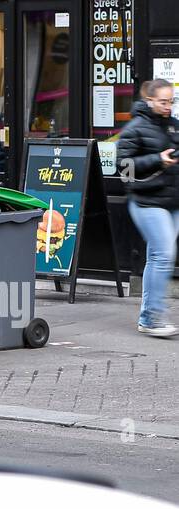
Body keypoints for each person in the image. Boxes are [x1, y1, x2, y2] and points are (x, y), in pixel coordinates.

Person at [118, 78, 179, 338]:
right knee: (165, 254)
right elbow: (123, 168)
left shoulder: (174, 127)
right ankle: (153, 318)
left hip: (172, 202)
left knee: (158, 257)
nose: (168, 106)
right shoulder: (135, 128)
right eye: (163, 101)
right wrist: (158, 160)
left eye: (171, 101)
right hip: (147, 202)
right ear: (149, 100)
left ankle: (147, 317)